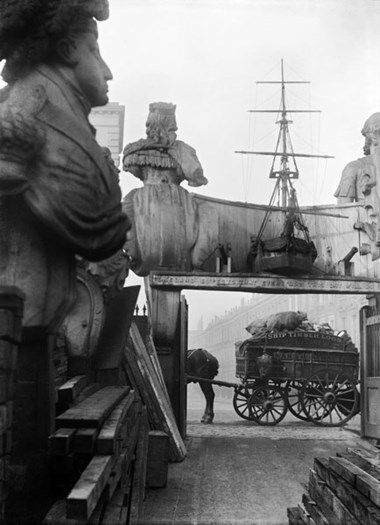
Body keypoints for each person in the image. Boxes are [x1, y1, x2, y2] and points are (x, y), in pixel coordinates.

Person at [0, 0, 130, 330]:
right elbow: (98, 225)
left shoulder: (51, 115)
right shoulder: (29, 119)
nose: (107, 71)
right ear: (67, 49)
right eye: (94, 50)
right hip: (14, 327)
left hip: (30, 326)